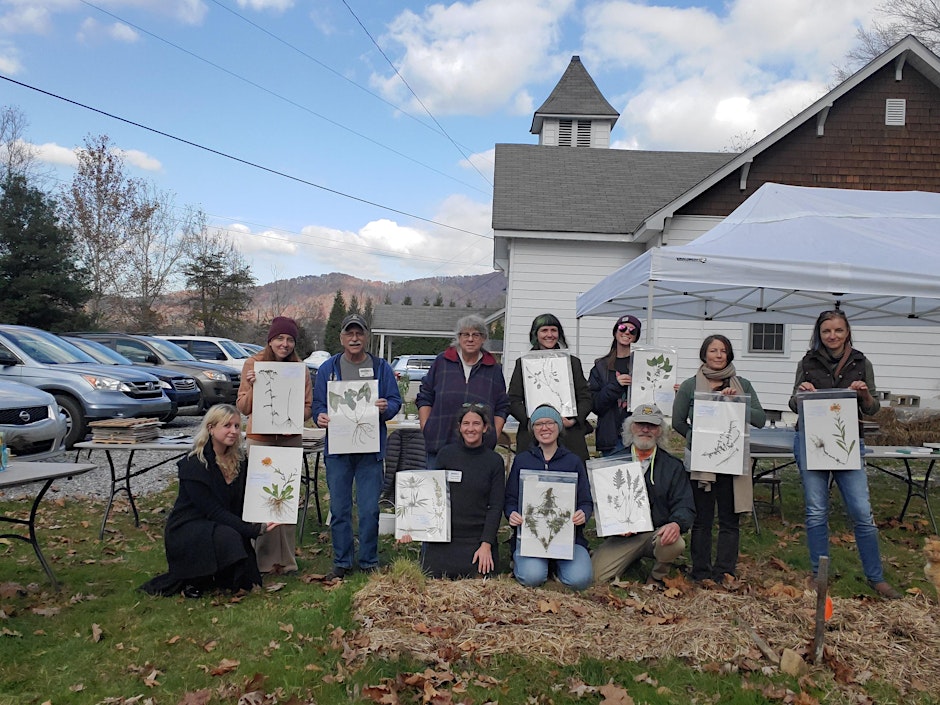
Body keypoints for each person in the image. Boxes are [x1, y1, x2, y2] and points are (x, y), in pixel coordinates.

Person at [788, 309, 901, 599]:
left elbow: (873, 407)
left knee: (862, 512)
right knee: (815, 512)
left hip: (847, 444)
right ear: (819, 334)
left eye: (838, 330)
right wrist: (802, 392)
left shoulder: (861, 363)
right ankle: (819, 575)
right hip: (812, 441)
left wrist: (864, 394)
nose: (832, 336)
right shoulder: (807, 362)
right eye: (827, 331)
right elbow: (792, 403)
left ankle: (875, 577)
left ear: (847, 332)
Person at [140, 405, 277, 597]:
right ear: (211, 428)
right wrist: (252, 530)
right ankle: (194, 579)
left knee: (248, 581)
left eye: (237, 426)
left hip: (223, 523)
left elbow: (246, 499)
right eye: (227, 425)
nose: (234, 431)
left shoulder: (240, 461)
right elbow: (213, 511)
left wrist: (273, 506)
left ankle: (217, 575)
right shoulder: (194, 464)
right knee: (228, 536)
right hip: (191, 526)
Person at [314, 313, 402, 580]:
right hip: (338, 451)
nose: (354, 338)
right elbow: (318, 405)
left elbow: (395, 401)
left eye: (359, 333)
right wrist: (320, 417)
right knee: (339, 508)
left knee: (369, 509)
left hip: (369, 451)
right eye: (349, 334)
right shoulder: (328, 369)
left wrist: (387, 408)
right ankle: (342, 561)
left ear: (366, 337)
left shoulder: (380, 368)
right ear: (341, 338)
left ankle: (368, 560)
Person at [672, 335, 766, 583]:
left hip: (732, 463)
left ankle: (725, 570)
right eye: (713, 350)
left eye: (723, 351)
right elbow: (677, 422)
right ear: (704, 354)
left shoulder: (742, 384)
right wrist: (698, 438)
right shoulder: (690, 386)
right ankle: (700, 571)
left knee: (729, 520)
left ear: (729, 355)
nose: (718, 355)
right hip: (702, 463)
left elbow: (760, 419)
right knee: (702, 520)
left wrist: (737, 402)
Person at [236, 315, 312, 574]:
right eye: (280, 338)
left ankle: (287, 561)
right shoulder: (254, 364)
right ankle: (262, 559)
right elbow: (243, 407)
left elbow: (307, 409)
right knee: (262, 500)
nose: (285, 344)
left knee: (286, 501)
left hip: (289, 440)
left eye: (290, 339)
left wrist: (289, 412)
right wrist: (256, 388)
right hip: (261, 440)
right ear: (271, 340)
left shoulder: (298, 369)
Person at [398, 403, 505, 578]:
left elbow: (496, 506)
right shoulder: (445, 455)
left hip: (477, 538)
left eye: (476, 424)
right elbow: (429, 495)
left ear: (485, 428)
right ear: (460, 427)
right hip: (445, 536)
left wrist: (486, 544)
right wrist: (410, 527)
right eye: (466, 423)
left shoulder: (494, 461)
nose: (471, 428)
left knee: (481, 580)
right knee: (432, 576)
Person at [592, 406, 696, 585]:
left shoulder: (673, 466)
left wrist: (676, 523)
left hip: (657, 533)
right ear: (631, 427)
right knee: (596, 577)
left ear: (660, 431)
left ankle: (657, 576)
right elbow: (602, 504)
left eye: (651, 426)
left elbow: (685, 505)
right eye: (640, 424)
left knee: (675, 542)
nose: (645, 430)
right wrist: (615, 525)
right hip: (624, 536)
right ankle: (629, 559)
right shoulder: (613, 463)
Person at [504, 404, 593, 590]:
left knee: (580, 579)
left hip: (568, 539)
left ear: (559, 426)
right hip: (531, 538)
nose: (544, 428)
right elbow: (511, 498)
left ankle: (555, 565)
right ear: (532, 429)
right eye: (538, 424)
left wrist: (582, 513)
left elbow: (585, 501)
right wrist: (512, 513)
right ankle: (538, 565)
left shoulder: (573, 461)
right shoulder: (522, 460)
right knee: (532, 577)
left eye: (550, 422)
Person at [416, 315, 510, 469]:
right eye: (465, 334)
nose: (470, 339)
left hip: (478, 449)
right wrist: (425, 426)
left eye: (476, 334)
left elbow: (502, 405)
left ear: (483, 338)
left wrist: (494, 433)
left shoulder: (493, 368)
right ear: (458, 338)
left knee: (472, 493)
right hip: (439, 442)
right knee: (438, 491)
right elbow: (425, 396)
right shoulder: (442, 362)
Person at [508, 313, 593, 462]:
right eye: (544, 330)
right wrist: (533, 422)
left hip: (569, 436)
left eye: (553, 330)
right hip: (532, 435)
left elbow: (586, 398)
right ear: (536, 334)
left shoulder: (573, 363)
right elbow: (513, 400)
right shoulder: (523, 363)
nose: (549, 335)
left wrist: (573, 420)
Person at [589, 314, 643, 456]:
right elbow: (595, 405)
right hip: (611, 437)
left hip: (638, 435)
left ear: (636, 337)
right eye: (622, 328)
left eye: (632, 330)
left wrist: (669, 390)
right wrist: (615, 386)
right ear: (615, 332)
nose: (627, 332)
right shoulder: (601, 366)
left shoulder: (643, 365)